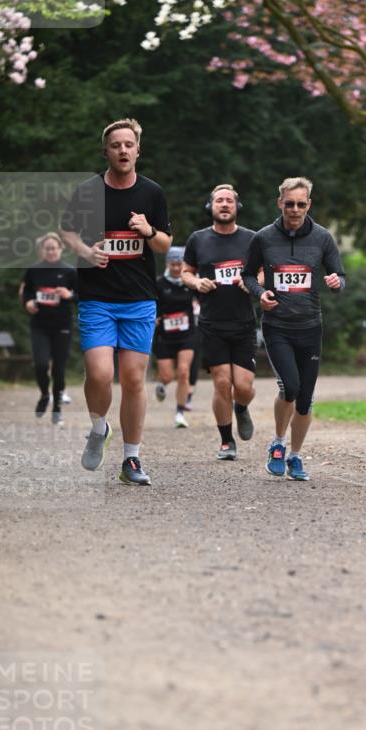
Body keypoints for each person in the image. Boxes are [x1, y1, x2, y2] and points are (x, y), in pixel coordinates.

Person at [60, 118, 172, 485]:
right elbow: (67, 231)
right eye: (116, 145)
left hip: (139, 299)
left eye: (128, 144)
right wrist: (85, 252)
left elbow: (165, 244)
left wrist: (149, 231)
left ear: (138, 150)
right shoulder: (88, 191)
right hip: (97, 298)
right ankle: (98, 428)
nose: (123, 150)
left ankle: (132, 460)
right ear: (105, 151)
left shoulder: (152, 193)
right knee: (99, 374)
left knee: (134, 380)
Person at [242, 176, 344, 481]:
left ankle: (295, 456)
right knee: (290, 386)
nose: (295, 209)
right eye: (290, 204)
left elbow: (339, 273)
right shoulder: (262, 238)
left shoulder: (323, 238)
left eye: (301, 204)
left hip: (311, 327)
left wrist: (337, 281)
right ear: (280, 203)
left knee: (306, 399)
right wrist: (261, 294)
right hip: (277, 327)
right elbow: (247, 276)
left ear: (309, 204)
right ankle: (277, 443)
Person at [182, 184, 256, 460]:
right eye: (219, 201)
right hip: (212, 323)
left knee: (244, 387)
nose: (224, 205)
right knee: (222, 383)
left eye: (229, 201)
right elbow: (186, 273)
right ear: (210, 207)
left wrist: (253, 284)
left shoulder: (251, 239)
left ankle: (241, 408)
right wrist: (196, 282)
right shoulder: (198, 239)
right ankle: (226, 441)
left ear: (237, 207)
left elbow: (263, 273)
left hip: (243, 322)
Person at [21, 232, 77, 424]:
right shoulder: (34, 270)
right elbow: (26, 291)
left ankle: (57, 408)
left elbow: (82, 297)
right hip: (40, 326)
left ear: (61, 249)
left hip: (62, 326)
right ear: (42, 251)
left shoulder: (70, 272)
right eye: (47, 248)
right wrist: (28, 302)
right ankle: (45, 394)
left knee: (59, 369)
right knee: (41, 364)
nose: (51, 251)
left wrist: (69, 295)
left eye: (54, 248)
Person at [154, 246, 198, 428]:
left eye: (179, 264)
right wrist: (154, 318)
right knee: (167, 375)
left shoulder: (190, 283)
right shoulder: (159, 284)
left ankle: (180, 412)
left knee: (183, 372)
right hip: (165, 336)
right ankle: (162, 385)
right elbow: (152, 306)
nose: (176, 268)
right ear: (167, 264)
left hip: (187, 334)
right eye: (173, 264)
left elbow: (201, 299)